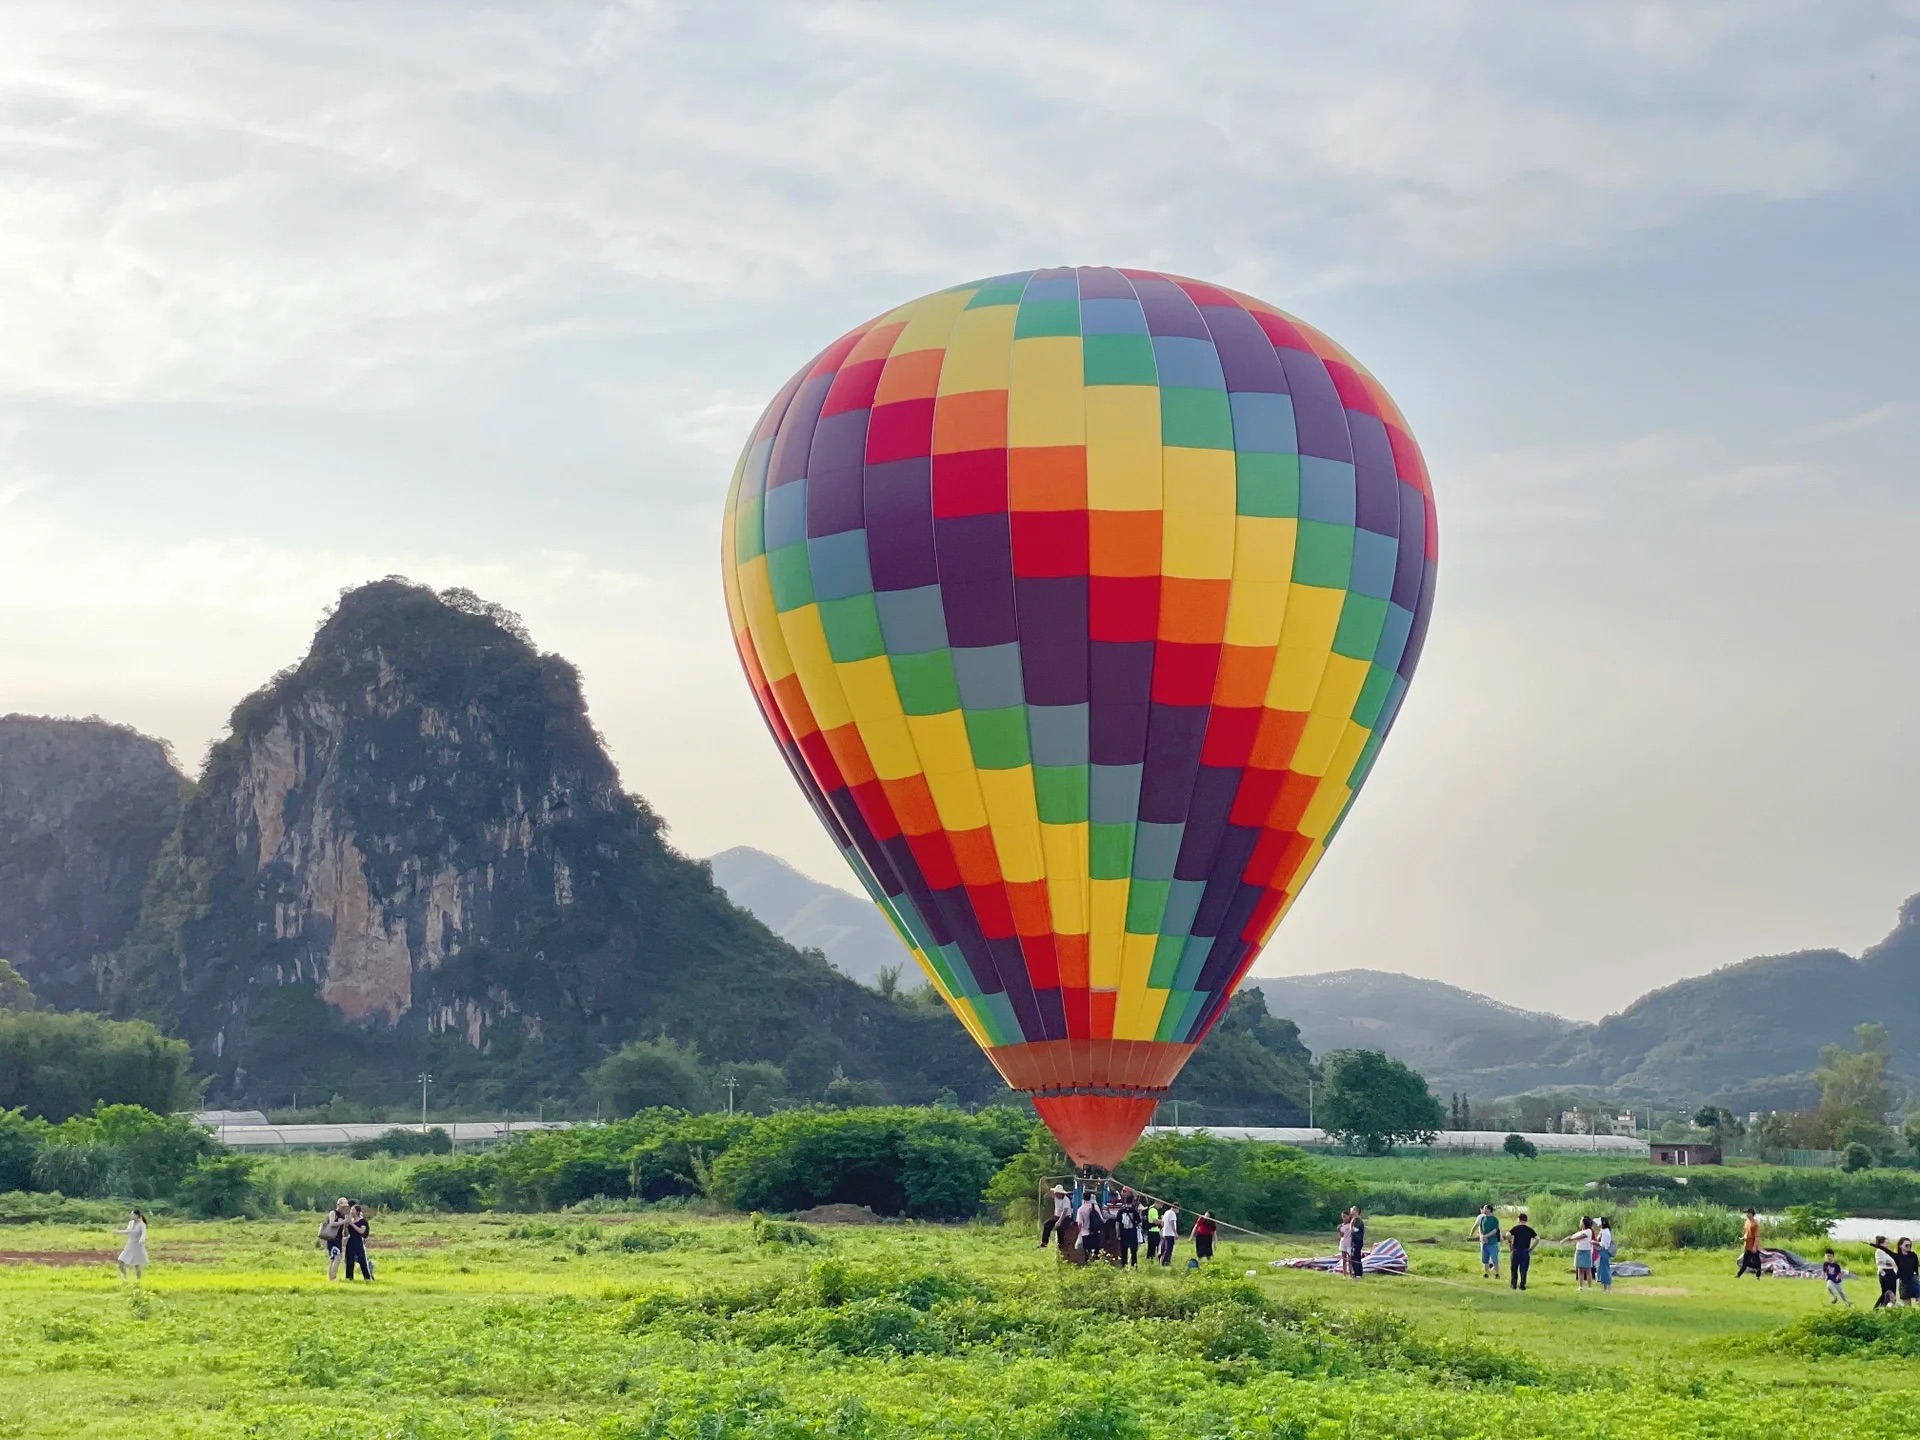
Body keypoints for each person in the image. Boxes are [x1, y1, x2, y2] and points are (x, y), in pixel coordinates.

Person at [319, 1197, 351, 1281]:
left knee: (333, 1258)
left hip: (338, 1238)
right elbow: (332, 1223)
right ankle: (333, 1277)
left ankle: (331, 1276)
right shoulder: (333, 1213)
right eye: (342, 1206)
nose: (343, 1208)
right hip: (333, 1238)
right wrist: (343, 1221)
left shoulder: (342, 1215)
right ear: (338, 1205)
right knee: (337, 1257)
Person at [344, 1203, 374, 1282]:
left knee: (362, 1260)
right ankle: (349, 1278)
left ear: (357, 1212)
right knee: (349, 1260)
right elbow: (346, 1234)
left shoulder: (362, 1221)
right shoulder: (351, 1221)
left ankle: (367, 1278)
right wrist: (346, 1225)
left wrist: (352, 1224)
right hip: (350, 1241)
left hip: (358, 1241)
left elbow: (361, 1231)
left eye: (353, 1210)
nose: (351, 1211)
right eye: (351, 1210)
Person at [1507, 1211, 1537, 1291]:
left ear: (1519, 1219)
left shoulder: (1516, 1228)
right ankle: (1522, 1285)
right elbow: (1537, 1239)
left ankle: (1513, 1284)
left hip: (1516, 1250)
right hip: (1525, 1251)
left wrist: (1510, 1242)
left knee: (1514, 1268)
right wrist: (1531, 1248)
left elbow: (1508, 1234)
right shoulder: (1529, 1230)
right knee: (1524, 1269)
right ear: (1526, 1220)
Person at [1562, 1217, 1595, 1289]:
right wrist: (1567, 1239)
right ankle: (1580, 1286)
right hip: (1579, 1251)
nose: (1580, 1224)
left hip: (1586, 1251)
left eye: (1581, 1223)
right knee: (1580, 1269)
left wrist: (1572, 1239)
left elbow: (1581, 1237)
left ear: (1584, 1224)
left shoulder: (1588, 1231)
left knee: (1588, 1269)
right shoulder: (1580, 1232)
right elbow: (1574, 1236)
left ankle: (1589, 1287)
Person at [117, 1208, 149, 1281]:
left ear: (137, 1215)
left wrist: (141, 1240)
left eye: (133, 1214)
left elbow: (144, 1234)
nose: (131, 1216)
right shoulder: (131, 1223)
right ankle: (124, 1276)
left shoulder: (142, 1224)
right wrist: (118, 1232)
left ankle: (138, 1281)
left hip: (138, 1246)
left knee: (137, 1264)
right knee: (120, 1260)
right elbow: (127, 1232)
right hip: (130, 1244)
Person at [1470, 1205, 1500, 1278]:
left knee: (1494, 1258)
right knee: (1485, 1259)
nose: (1483, 1210)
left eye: (1485, 1209)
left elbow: (1495, 1230)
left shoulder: (1494, 1220)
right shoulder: (1483, 1218)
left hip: (1492, 1242)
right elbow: (1480, 1228)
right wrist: (1482, 1236)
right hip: (1484, 1242)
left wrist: (1486, 1236)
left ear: (1489, 1210)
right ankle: (1486, 1273)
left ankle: (1497, 1273)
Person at [1115, 1189, 1141, 1267]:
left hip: (1123, 1233)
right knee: (1133, 1251)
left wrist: (1117, 1233)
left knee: (1123, 1250)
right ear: (1132, 1201)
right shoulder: (1134, 1211)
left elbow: (1117, 1223)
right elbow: (1139, 1223)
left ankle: (1124, 1265)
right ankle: (1134, 1265)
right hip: (1132, 1233)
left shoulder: (1121, 1211)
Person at [1735, 1208, 1763, 1279]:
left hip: (1753, 1246)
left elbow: (1756, 1237)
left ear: (1751, 1214)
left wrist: (1754, 1247)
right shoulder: (1747, 1222)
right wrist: (1744, 1238)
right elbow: (1746, 1232)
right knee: (1747, 1262)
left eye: (1747, 1213)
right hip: (1747, 1245)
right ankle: (1739, 1275)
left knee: (1757, 1263)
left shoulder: (1755, 1224)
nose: (1746, 1214)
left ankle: (1756, 1276)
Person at [1896, 1238, 1920, 1306]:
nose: (1909, 1247)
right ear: (1900, 1246)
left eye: (1910, 1245)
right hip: (1903, 1281)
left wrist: (1917, 1278)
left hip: (1913, 1279)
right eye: (1906, 1245)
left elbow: (1916, 1268)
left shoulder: (1913, 1255)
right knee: (1907, 1305)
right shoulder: (1897, 1257)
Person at [1157, 1201, 1180, 1266]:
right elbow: (1172, 1223)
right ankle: (1166, 1262)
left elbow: (1162, 1223)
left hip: (1165, 1233)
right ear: (1176, 1208)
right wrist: (1175, 1233)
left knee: (1164, 1248)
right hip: (1170, 1234)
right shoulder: (1172, 1213)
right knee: (1169, 1249)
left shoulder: (1166, 1212)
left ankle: (1161, 1259)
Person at [1595, 1216, 1614, 1293]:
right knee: (1603, 1269)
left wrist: (1595, 1243)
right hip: (1602, 1252)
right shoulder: (1603, 1231)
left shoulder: (1605, 1232)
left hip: (1604, 1251)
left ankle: (1608, 1288)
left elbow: (1603, 1244)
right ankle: (1605, 1288)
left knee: (1605, 1270)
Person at [1347, 1207, 1367, 1279]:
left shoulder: (1357, 1220)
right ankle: (1358, 1274)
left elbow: (1356, 1229)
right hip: (1355, 1241)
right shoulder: (1354, 1219)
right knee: (1356, 1257)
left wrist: (1350, 1229)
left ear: (1356, 1211)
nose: (1351, 1212)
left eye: (1352, 1211)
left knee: (1355, 1257)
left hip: (1357, 1241)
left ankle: (1357, 1274)